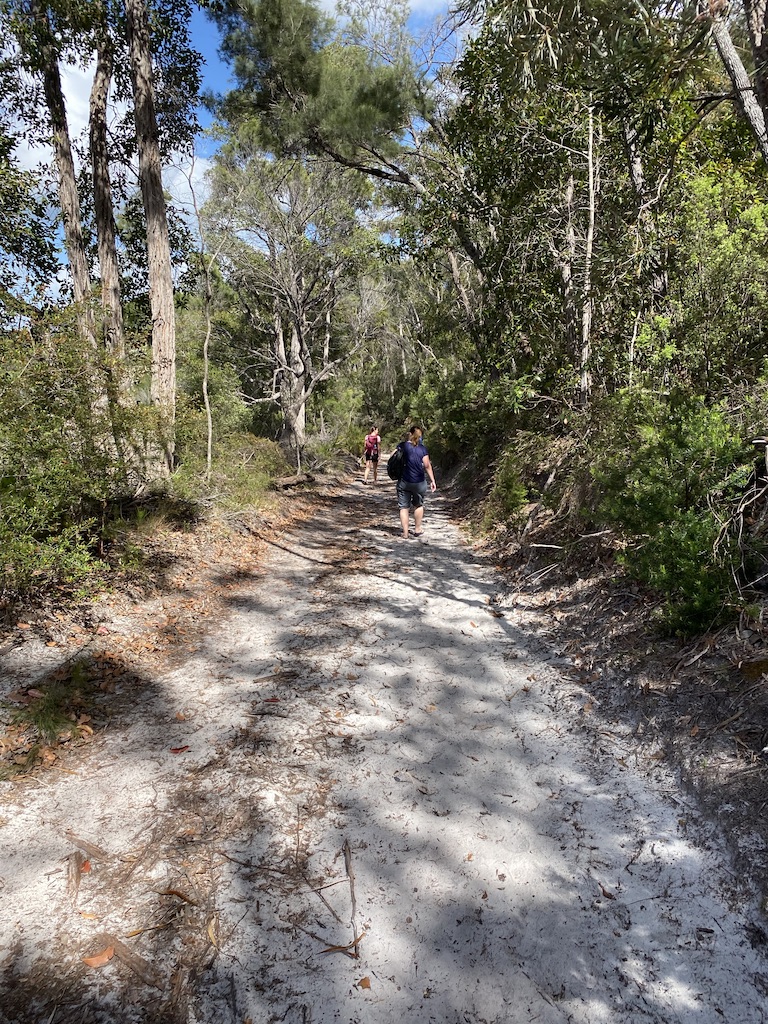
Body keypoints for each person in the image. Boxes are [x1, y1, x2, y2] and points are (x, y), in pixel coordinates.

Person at [396, 424, 436, 539]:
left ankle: (405, 533)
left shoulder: (403, 446)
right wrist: (432, 480)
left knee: (404, 507)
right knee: (418, 505)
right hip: (419, 482)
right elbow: (427, 465)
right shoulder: (422, 449)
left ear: (410, 434)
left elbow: (393, 457)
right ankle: (417, 529)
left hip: (404, 481)